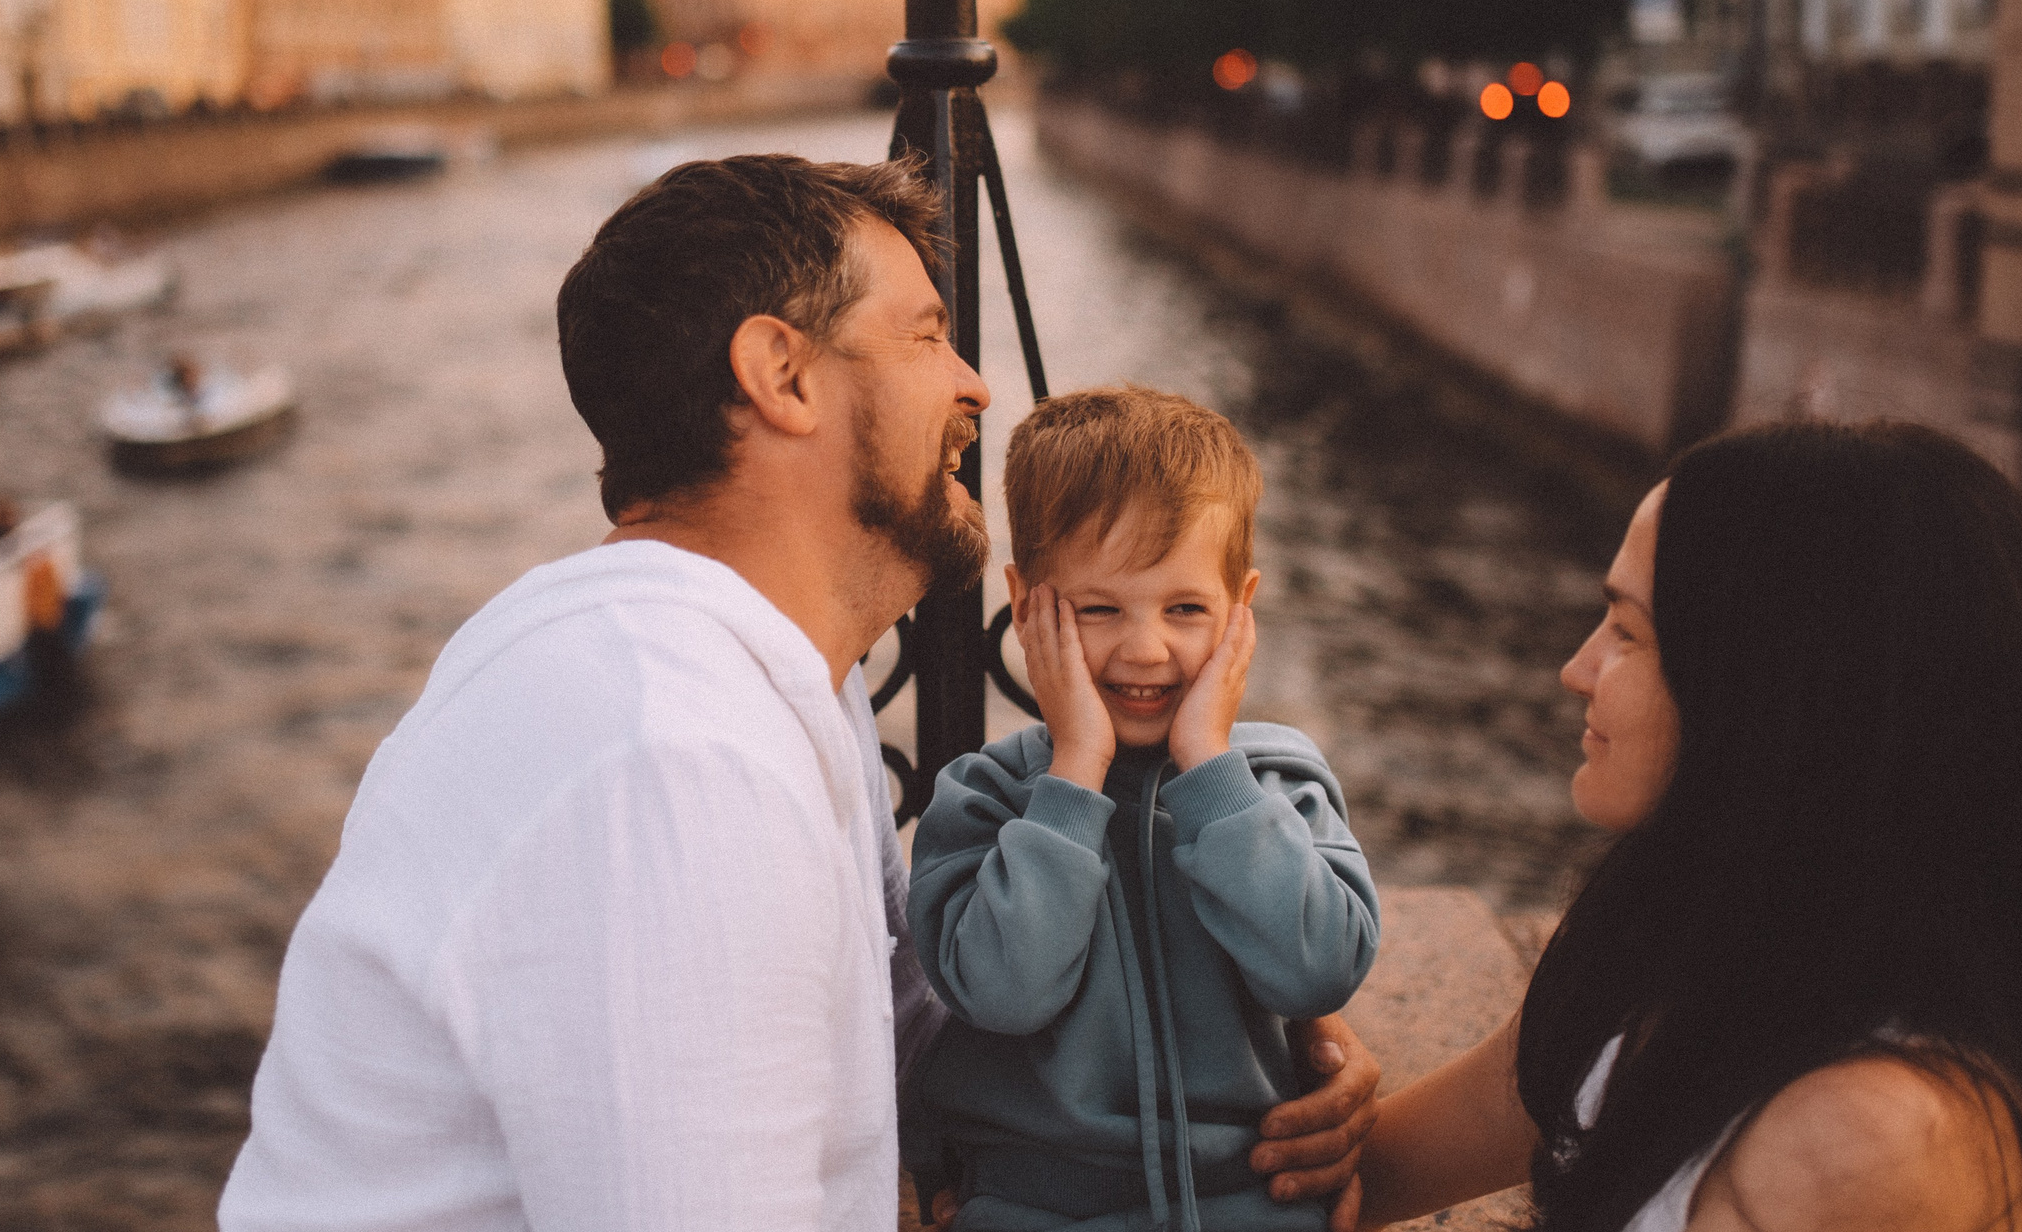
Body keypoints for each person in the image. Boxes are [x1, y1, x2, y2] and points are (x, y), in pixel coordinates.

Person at [220, 155, 1381, 1232]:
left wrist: (1249, 1025)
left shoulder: (736, 671)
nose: (974, 383)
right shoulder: (669, 754)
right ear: (783, 373)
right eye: (926, 333)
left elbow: (888, 1017)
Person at [1352, 420, 2022, 1232]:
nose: (1577, 669)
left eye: (1628, 632)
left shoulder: (1869, 1136)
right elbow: (1365, 1174)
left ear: (1770, 695)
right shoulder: (1683, 941)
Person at [908, 386, 1383, 1232]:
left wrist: (1211, 771)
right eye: (1099, 609)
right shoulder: (984, 800)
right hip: (1037, 1209)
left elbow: (1319, 968)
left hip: (1255, 1207)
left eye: (1186, 609)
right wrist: (1075, 778)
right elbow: (1006, 991)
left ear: (1242, 606)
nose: (1145, 648)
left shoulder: (1278, 783)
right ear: (1025, 604)